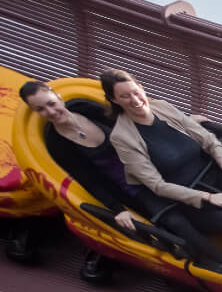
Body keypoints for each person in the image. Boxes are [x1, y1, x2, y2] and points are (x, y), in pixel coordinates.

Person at [101, 68, 222, 270]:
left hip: (216, 176)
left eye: (135, 92)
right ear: (114, 100)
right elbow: (157, 186)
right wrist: (207, 197)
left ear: (141, 88)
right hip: (191, 200)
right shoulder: (122, 137)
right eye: (125, 97)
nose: (135, 100)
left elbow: (209, 141)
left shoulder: (162, 107)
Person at [20, 80, 141, 235]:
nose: (50, 111)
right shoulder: (57, 145)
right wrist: (118, 209)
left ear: (59, 98)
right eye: (41, 109)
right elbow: (89, 181)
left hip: (154, 167)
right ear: (35, 112)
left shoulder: (85, 108)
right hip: (132, 191)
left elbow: (129, 125)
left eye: (51, 103)